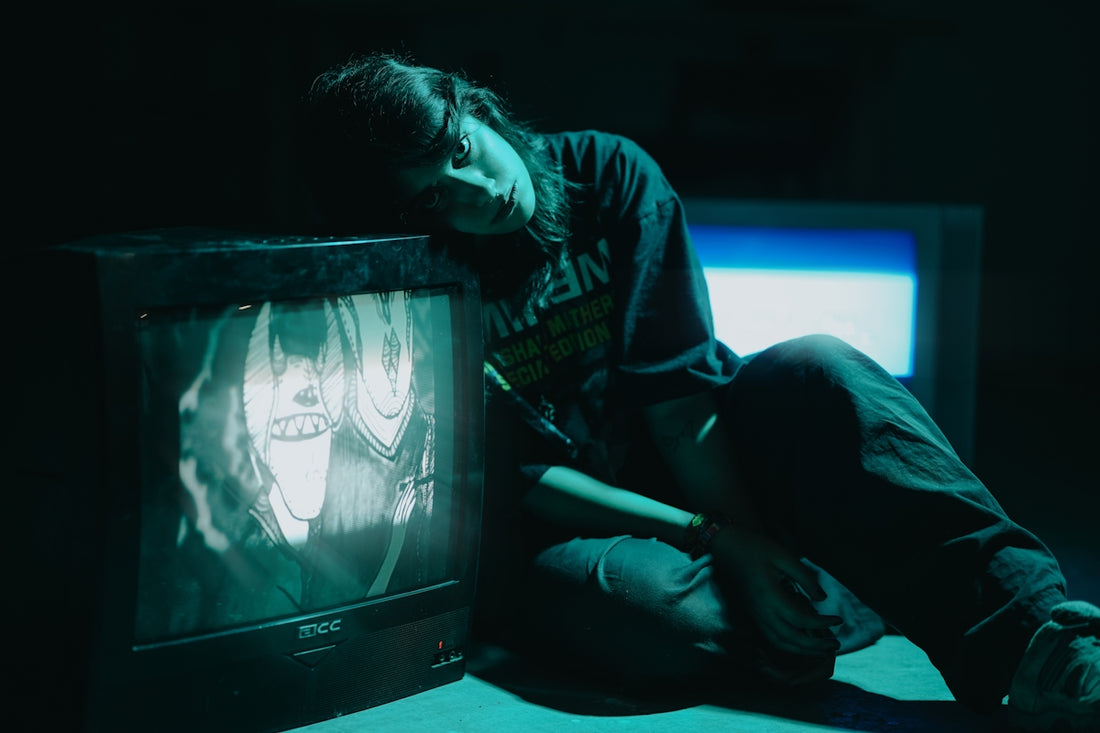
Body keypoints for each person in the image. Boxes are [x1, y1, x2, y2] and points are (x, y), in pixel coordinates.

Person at [296, 52, 1099, 732]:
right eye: (436, 193)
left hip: (703, 455)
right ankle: (832, 594)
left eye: (463, 148)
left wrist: (750, 545)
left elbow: (685, 406)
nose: (478, 188)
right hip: (573, 520)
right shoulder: (428, 282)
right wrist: (722, 543)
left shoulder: (608, 173)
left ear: (476, 110)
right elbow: (529, 480)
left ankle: (1039, 643)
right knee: (661, 621)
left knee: (823, 367)